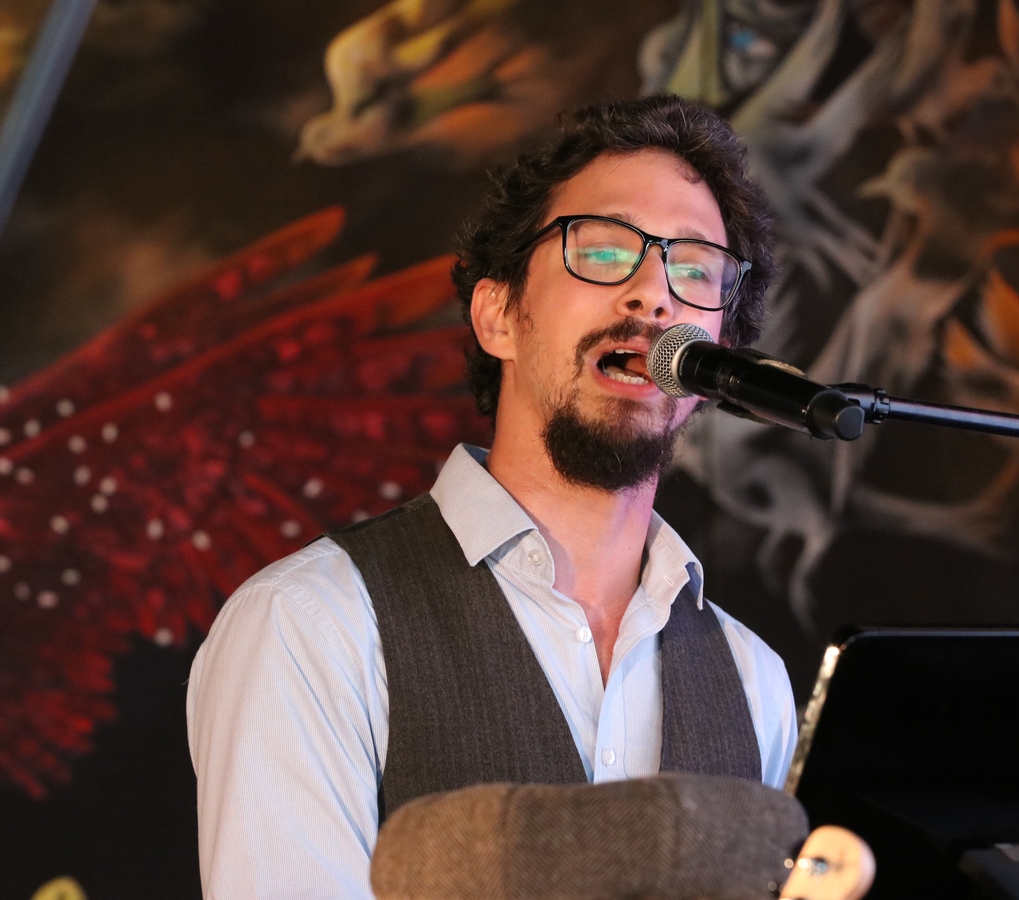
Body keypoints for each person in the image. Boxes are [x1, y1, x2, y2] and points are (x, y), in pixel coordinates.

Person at [186, 94, 797, 899]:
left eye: (692, 269)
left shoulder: (754, 682)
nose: (654, 295)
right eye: (603, 250)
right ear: (498, 315)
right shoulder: (311, 623)